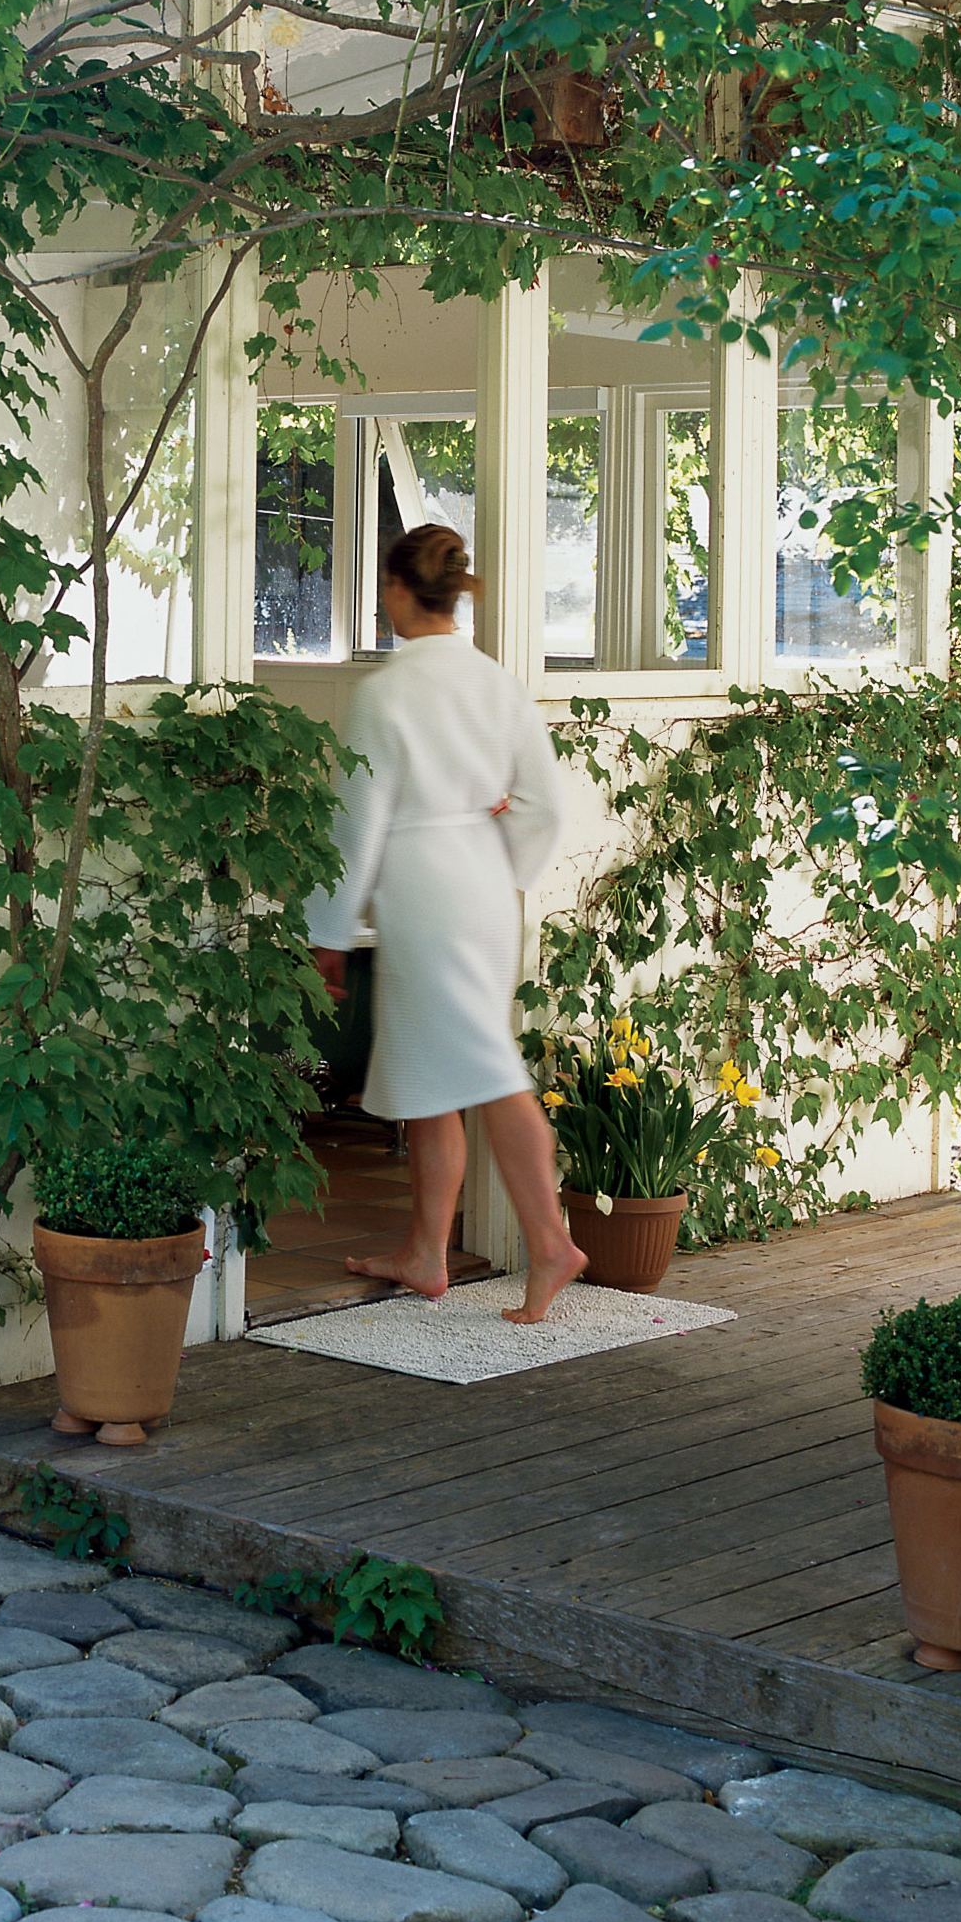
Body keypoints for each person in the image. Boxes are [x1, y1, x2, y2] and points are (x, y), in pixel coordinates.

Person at [304, 524, 587, 1325]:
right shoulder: (497, 683)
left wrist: (328, 929)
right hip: (488, 887)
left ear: (397, 590)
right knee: (435, 1075)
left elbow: (356, 824)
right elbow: (544, 806)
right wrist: (504, 868)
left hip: (424, 893)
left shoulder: (385, 693)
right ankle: (426, 1251)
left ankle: (551, 1243)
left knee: (489, 1071)